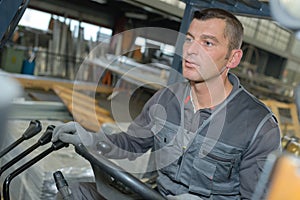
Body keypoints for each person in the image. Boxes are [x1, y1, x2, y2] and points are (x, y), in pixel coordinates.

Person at [52, 8, 281, 199]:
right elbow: (132, 144)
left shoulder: (258, 126)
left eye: (208, 43)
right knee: (74, 192)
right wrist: (92, 139)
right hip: (156, 195)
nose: (191, 50)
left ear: (233, 58)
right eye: (189, 39)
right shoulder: (166, 99)